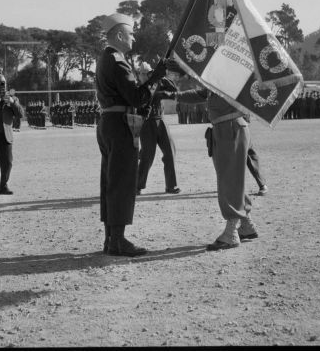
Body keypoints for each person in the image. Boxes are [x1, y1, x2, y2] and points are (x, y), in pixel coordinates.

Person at [95, 13, 166, 257]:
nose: (134, 37)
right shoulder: (118, 61)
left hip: (109, 122)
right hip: (120, 123)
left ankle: (110, 240)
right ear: (119, 35)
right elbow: (136, 97)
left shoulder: (106, 58)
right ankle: (119, 240)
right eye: (131, 33)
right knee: (123, 181)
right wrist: (155, 77)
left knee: (110, 180)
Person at [168, 66, 258, 251]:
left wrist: (186, 70)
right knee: (233, 177)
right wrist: (174, 94)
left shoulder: (231, 73)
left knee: (229, 179)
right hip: (226, 128)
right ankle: (246, 225)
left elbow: (207, 87)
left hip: (230, 127)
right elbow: (203, 93)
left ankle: (231, 232)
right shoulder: (220, 76)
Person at [136, 62, 180, 195]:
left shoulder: (157, 82)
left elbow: (173, 89)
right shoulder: (139, 88)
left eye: (147, 72)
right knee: (147, 156)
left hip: (161, 121)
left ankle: (171, 186)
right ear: (138, 75)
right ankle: (137, 185)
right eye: (142, 73)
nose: (145, 75)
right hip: (146, 123)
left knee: (170, 152)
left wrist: (160, 76)